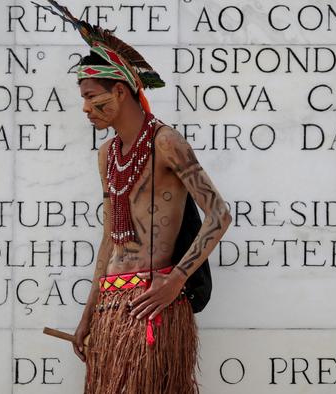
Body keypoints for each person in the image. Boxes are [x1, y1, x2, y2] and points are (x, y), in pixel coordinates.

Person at [38, 2, 232, 392]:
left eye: (95, 98)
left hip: (155, 303)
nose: (87, 108)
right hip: (111, 311)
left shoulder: (166, 142)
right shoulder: (107, 155)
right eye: (84, 100)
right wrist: (88, 315)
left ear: (122, 91)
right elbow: (110, 237)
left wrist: (176, 281)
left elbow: (219, 214)